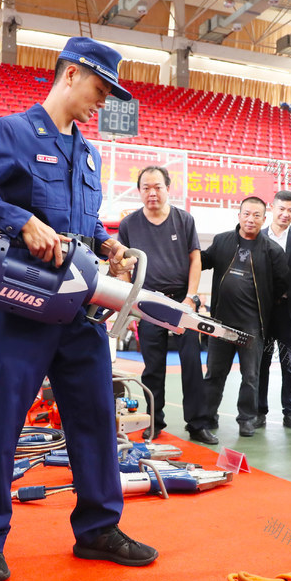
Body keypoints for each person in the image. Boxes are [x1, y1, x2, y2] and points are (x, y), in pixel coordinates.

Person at [0, 37, 158, 581]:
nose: (102, 103)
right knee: (2, 420)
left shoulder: (89, 153)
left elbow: (82, 225)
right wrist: (19, 220)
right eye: (100, 89)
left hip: (78, 311)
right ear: (71, 75)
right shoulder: (12, 132)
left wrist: (109, 248)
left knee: (95, 419)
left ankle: (98, 529)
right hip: (25, 307)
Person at [117, 165, 207, 442]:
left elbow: (195, 259)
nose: (152, 192)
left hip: (182, 300)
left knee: (191, 362)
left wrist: (191, 297)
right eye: (146, 187)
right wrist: (128, 303)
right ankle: (155, 422)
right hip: (146, 300)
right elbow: (123, 266)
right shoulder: (129, 224)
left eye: (158, 187)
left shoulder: (184, 220)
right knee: (152, 366)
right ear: (140, 191)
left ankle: (198, 424)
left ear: (168, 188)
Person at [196, 196, 289, 439]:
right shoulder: (222, 241)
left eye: (256, 215)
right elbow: (202, 262)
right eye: (246, 214)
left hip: (252, 326)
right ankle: (207, 417)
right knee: (215, 374)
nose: (251, 219)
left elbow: (282, 285)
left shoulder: (273, 250)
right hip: (220, 324)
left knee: (250, 376)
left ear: (263, 219)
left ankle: (246, 419)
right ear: (238, 216)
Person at [256, 190, 291, 433]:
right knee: (261, 362)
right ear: (272, 208)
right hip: (263, 313)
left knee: (290, 362)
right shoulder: (257, 237)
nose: (286, 214)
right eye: (282, 209)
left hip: (290, 312)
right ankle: (258, 412)